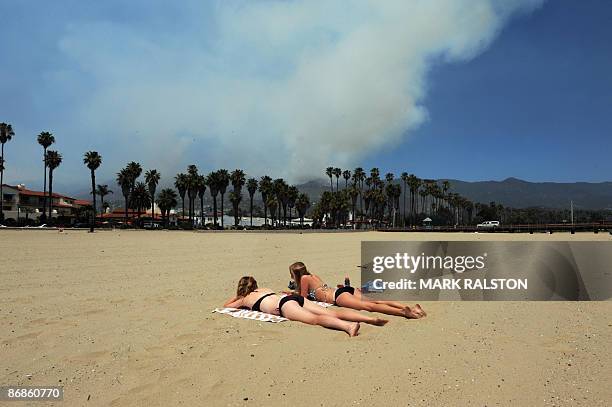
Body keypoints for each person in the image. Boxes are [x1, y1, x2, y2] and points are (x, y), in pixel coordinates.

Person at [223, 276, 388, 337]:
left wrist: (239, 295)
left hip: (284, 306)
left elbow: (226, 306)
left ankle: (349, 326)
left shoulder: (244, 299)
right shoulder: (264, 289)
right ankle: (369, 318)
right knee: (333, 312)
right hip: (291, 298)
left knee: (316, 320)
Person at [289, 262, 426, 319]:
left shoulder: (305, 279)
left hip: (338, 295)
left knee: (370, 307)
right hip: (345, 289)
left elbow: (303, 298)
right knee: (375, 299)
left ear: (296, 274)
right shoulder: (313, 276)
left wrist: (292, 295)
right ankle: (412, 308)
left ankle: (403, 312)